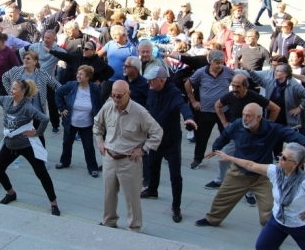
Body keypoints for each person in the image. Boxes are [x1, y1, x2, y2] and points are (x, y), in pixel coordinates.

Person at [195, 103, 305, 228]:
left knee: (269, 207)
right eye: (243, 114)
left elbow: (292, 134)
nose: (244, 118)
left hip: (263, 175)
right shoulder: (238, 125)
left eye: (248, 116)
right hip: (238, 172)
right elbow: (225, 135)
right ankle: (212, 219)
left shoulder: (272, 129)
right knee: (222, 198)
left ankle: (271, 229)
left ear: (259, 117)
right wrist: (215, 148)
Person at [214, 143, 305, 250]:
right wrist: (230, 158)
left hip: (301, 224)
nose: (280, 159)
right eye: (281, 155)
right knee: (262, 247)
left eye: (284, 158)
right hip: (278, 221)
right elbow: (251, 165)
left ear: (295, 163)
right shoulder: (275, 171)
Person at [0, 79, 61, 216]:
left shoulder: (27, 106)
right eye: (11, 88)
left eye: (14, 88)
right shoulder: (6, 100)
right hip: (10, 145)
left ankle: (53, 203)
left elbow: (44, 119)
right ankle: (11, 193)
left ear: (22, 91)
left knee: (41, 173)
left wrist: (37, 132)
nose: (11, 90)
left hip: (27, 146)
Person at [93, 80, 163, 232]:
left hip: (129, 161)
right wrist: (100, 141)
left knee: (132, 197)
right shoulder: (108, 106)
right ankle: (109, 221)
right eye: (113, 95)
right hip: (109, 158)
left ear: (128, 94)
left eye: (119, 96)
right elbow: (97, 124)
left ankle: (134, 227)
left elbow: (157, 132)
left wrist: (144, 149)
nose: (116, 99)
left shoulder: (140, 112)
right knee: (108, 194)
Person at [206, 74, 280, 206]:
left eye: (238, 86)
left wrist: (267, 126)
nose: (234, 89)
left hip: (252, 135)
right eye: (233, 86)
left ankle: (250, 193)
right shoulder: (230, 96)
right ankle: (219, 180)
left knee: (250, 163)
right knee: (223, 157)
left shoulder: (254, 97)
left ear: (246, 86)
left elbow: (275, 108)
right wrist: (224, 122)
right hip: (235, 134)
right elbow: (217, 105)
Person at [141, 67, 197, 223]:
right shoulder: (152, 89)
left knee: (175, 175)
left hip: (171, 141)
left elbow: (182, 106)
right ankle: (152, 190)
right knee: (152, 166)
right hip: (154, 138)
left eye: (151, 80)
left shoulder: (174, 92)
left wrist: (189, 118)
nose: (148, 83)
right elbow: (148, 108)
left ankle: (176, 206)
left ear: (162, 80)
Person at [185, 49, 236, 169]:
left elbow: (238, 81)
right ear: (210, 62)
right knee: (201, 137)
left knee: (227, 136)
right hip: (206, 111)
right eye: (217, 63)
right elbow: (188, 84)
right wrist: (193, 101)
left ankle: (228, 160)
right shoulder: (201, 72)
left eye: (222, 63)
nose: (219, 65)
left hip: (223, 111)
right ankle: (198, 159)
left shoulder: (228, 72)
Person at [54, 65, 102, 177]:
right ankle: (64, 161)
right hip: (71, 122)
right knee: (67, 143)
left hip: (87, 124)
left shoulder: (95, 89)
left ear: (88, 77)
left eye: (81, 74)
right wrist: (62, 108)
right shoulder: (71, 85)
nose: (78, 76)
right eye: (78, 73)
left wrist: (99, 119)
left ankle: (92, 167)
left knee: (88, 146)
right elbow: (58, 93)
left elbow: (98, 104)